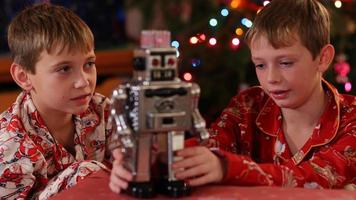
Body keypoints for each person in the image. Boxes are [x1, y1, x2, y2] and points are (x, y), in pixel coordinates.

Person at [109, 0, 356, 193]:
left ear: (323, 58)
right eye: (260, 65)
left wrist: (227, 168)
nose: (271, 78)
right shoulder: (248, 106)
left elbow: (315, 178)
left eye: (285, 62)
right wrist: (150, 160)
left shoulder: (352, 119)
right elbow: (209, 148)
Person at [0, 3, 118, 199]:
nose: (83, 82)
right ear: (23, 77)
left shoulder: (102, 110)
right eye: (64, 69)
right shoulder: (8, 147)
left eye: (89, 64)